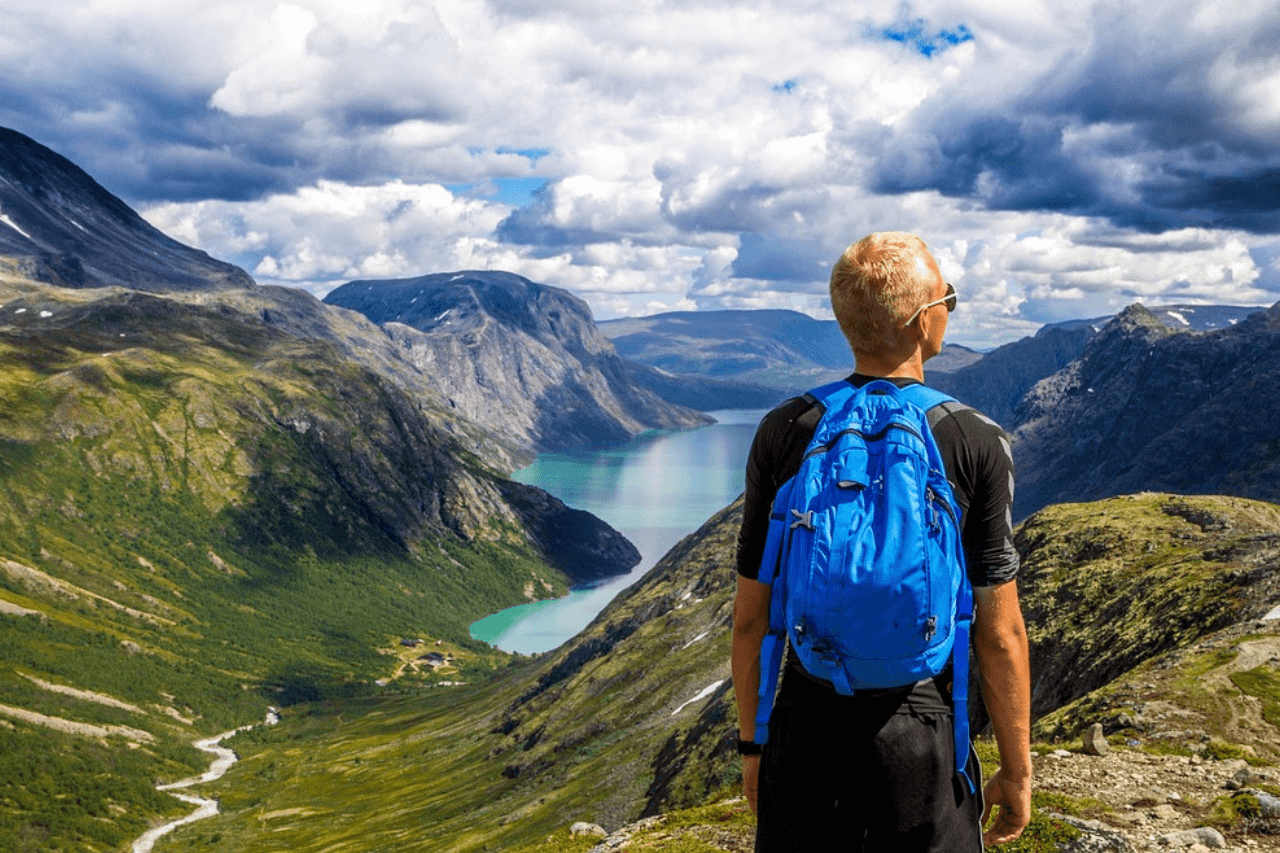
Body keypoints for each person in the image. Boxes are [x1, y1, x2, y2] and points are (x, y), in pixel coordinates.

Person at [731, 232, 1032, 850]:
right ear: (926, 321)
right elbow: (1000, 631)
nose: (951, 306)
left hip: (807, 719)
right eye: (949, 295)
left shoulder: (787, 429)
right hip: (922, 728)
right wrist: (1017, 769)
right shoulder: (974, 438)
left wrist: (755, 746)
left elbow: (752, 619)